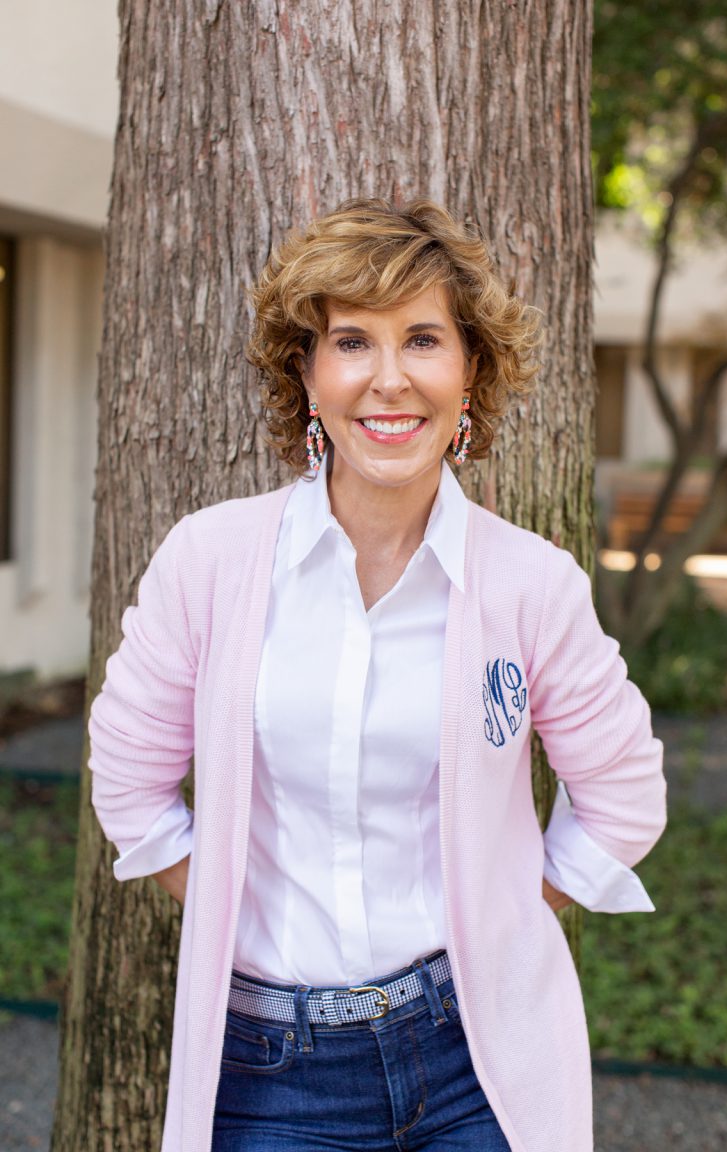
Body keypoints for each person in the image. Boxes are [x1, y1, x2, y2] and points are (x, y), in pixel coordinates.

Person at [89, 198, 666, 1152]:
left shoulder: (530, 585)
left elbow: (622, 792)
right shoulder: (212, 560)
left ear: (469, 371)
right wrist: (238, 903)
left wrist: (505, 916)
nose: (389, 380)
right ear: (307, 375)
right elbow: (129, 781)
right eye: (352, 341)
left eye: (424, 340)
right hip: (271, 1073)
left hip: (475, 1057)